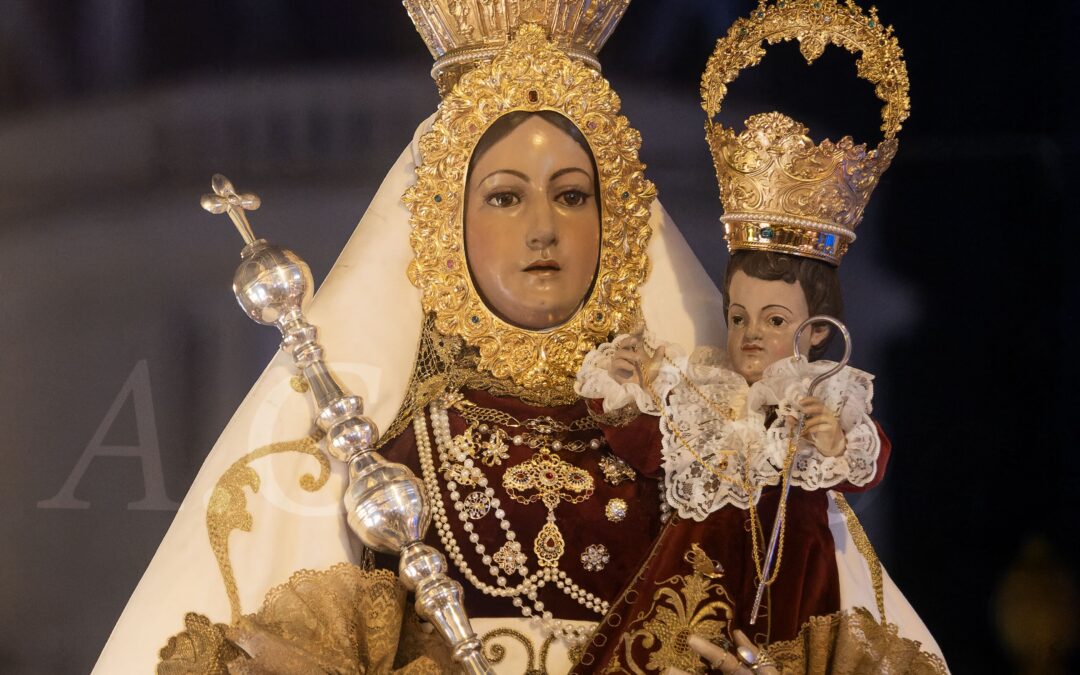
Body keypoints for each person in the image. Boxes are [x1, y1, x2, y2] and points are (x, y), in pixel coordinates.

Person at [93, 6, 731, 674]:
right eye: (506, 198)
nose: (544, 228)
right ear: (448, 223)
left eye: (572, 196)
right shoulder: (395, 447)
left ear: (618, 220)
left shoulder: (684, 444)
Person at [570, 1, 948, 672]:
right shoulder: (707, 394)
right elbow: (652, 447)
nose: (748, 335)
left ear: (817, 330)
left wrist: (831, 436)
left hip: (797, 587)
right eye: (739, 315)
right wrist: (625, 388)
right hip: (691, 592)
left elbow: (869, 457)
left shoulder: (819, 398)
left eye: (774, 321)